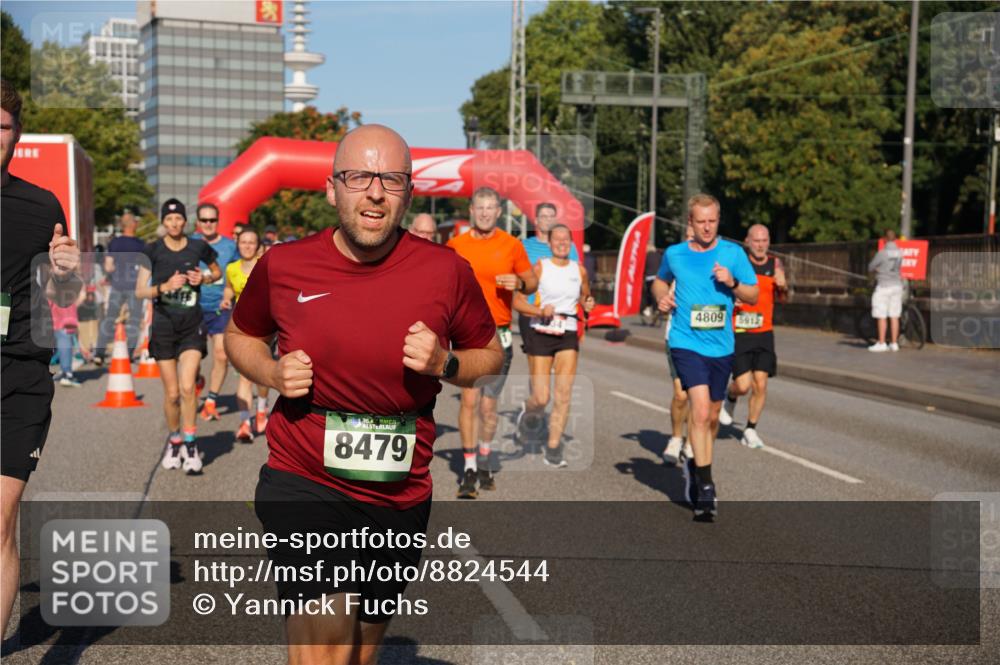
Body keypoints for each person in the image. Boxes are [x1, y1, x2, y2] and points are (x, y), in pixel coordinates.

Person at [225, 124, 501, 665]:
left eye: (391, 180)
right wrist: (274, 373)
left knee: (358, 650)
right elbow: (241, 335)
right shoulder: (283, 265)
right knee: (326, 644)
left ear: (408, 192)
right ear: (332, 189)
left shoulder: (446, 271)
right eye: (358, 177)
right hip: (304, 478)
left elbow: (489, 358)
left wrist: (446, 362)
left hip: (399, 491)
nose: (374, 192)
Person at [2, 78, 81, 635]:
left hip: (18, 376)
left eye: (1, 125)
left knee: (0, 522)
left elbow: (63, 298)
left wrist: (66, 273)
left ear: (15, 134)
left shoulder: (41, 205)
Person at [651, 194, 758, 521]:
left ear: (718, 220)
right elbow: (659, 281)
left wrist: (733, 282)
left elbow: (752, 295)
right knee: (698, 411)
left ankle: (697, 469)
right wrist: (661, 299)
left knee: (712, 417)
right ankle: (706, 484)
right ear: (691, 223)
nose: (707, 226)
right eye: (701, 221)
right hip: (686, 342)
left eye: (712, 220)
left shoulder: (733, 253)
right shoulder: (676, 253)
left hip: (721, 346)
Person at [447, 187, 537, 498]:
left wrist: (521, 283)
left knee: (488, 407)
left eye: (490, 208)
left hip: (500, 334)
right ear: (471, 210)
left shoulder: (511, 245)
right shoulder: (456, 245)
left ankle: (484, 456)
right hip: (467, 334)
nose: (485, 213)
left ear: (498, 212)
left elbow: (533, 282)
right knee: (470, 401)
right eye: (480, 207)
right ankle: (470, 467)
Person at [135, 198, 221, 475]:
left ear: (186, 222)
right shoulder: (152, 250)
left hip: (191, 325)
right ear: (163, 222)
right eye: (169, 219)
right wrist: (164, 286)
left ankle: (191, 443)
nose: (174, 224)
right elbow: (140, 291)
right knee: (172, 394)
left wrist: (204, 278)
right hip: (163, 327)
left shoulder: (198, 246)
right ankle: (175, 441)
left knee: (187, 388)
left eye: (178, 219)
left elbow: (216, 271)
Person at [513, 225, 594, 467]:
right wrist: (539, 310)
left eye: (565, 239)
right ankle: (527, 414)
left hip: (567, 332)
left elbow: (585, 297)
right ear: (549, 243)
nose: (561, 243)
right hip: (541, 332)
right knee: (541, 397)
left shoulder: (578, 270)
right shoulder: (540, 267)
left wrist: (587, 303)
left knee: (563, 394)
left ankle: (553, 447)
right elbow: (517, 301)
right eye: (557, 239)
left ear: (571, 242)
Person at [718, 224, 787, 449]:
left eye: (764, 240)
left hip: (764, 332)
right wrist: (733, 297)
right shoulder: (739, 263)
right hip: (740, 331)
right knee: (743, 385)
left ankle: (750, 429)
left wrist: (783, 286)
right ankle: (730, 397)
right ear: (747, 241)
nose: (760, 245)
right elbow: (724, 289)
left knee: (761, 384)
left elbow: (783, 299)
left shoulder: (775, 264)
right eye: (756, 241)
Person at [221, 228, 270, 441]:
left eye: (252, 242)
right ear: (237, 245)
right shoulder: (231, 268)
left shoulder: (266, 265)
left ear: (258, 246)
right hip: (240, 328)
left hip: (264, 328)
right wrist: (226, 298)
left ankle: (261, 408)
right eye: (243, 242)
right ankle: (244, 422)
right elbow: (230, 288)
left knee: (260, 374)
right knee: (243, 375)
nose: (247, 246)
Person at [191, 203, 239, 421]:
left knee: (221, 354)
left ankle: (211, 400)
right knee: (192, 359)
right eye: (204, 220)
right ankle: (197, 380)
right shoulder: (189, 243)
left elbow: (236, 274)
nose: (208, 224)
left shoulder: (229, 246)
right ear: (198, 222)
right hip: (193, 308)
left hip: (220, 308)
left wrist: (230, 296)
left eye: (212, 220)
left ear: (217, 222)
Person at [661, 225, 695, 466]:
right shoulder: (676, 259)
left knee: (700, 397)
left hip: (707, 339)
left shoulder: (716, 262)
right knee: (681, 395)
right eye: (690, 234)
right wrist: (663, 298)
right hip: (678, 336)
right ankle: (676, 436)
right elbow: (659, 283)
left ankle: (693, 442)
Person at [94, 210, 145, 365]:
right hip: (135, 287)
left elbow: (108, 266)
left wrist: (110, 275)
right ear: (133, 225)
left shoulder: (115, 242)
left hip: (117, 286)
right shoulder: (141, 245)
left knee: (109, 319)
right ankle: (128, 355)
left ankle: (99, 354)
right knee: (134, 321)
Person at [868, 228, 904, 352]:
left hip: (884, 286)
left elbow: (871, 266)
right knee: (894, 316)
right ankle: (894, 343)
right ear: (895, 239)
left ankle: (882, 342)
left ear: (884, 239)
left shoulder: (882, 253)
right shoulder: (900, 252)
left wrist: (878, 270)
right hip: (897, 285)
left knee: (881, 315)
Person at [49, 290, 86, 387]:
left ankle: (63, 371)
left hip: (57, 322)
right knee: (66, 349)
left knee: (62, 349)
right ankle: (67, 375)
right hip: (65, 323)